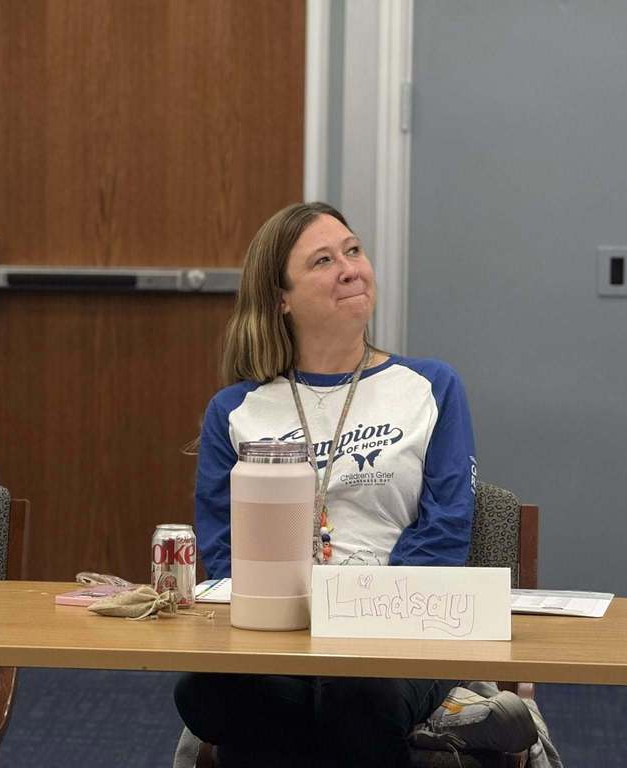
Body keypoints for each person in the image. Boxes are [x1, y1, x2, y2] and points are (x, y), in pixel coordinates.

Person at [175, 202, 476, 767]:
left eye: (353, 250)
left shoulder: (431, 387)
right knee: (228, 690)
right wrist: (296, 624)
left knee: (354, 692)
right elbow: (225, 553)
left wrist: (357, 612)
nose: (349, 268)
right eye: (322, 260)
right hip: (274, 630)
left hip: (397, 625)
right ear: (281, 299)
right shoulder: (237, 410)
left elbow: (445, 530)